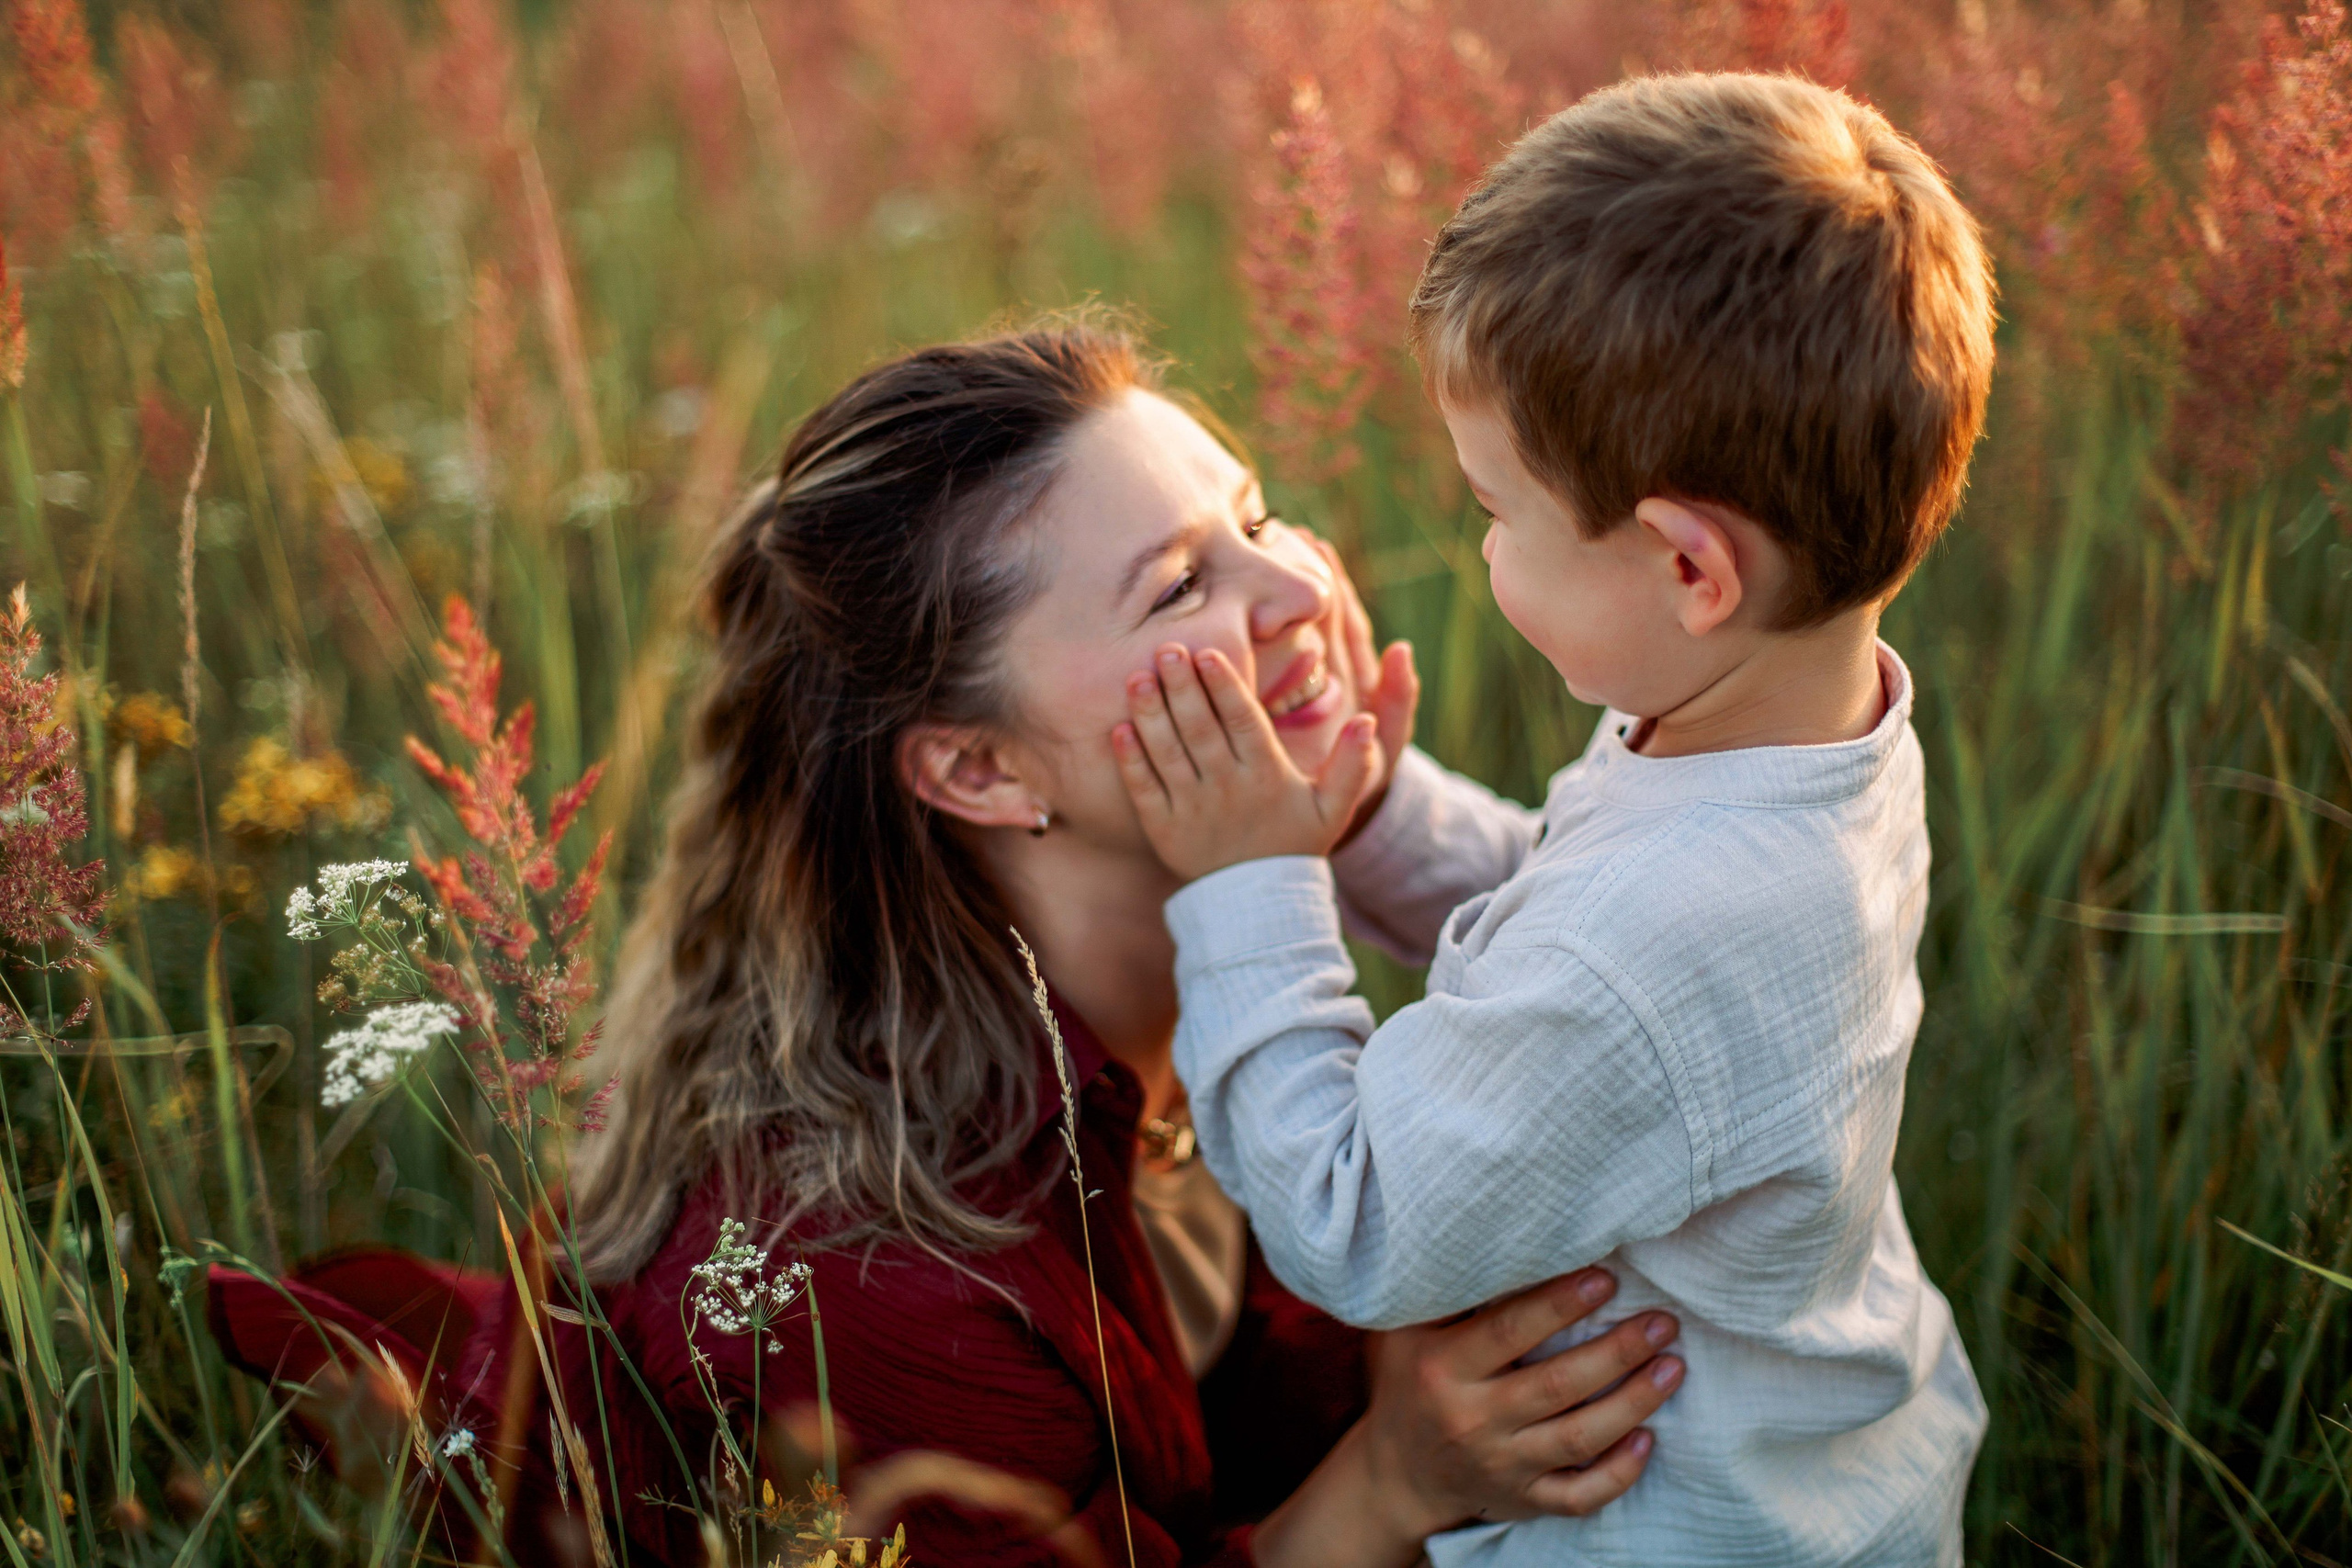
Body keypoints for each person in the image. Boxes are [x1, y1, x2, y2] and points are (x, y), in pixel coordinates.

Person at [208, 321, 1686, 1567]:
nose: (1301, 589)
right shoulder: (883, 1287)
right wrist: (1391, 1485)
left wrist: (1349, 830)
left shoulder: (1238, 953)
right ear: (981, 773)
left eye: (1252, 519)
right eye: (1181, 587)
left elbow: (1667, 954)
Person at [1107, 73, 1996, 1565]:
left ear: (1686, 568)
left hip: (1674, 1531)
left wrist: (1252, 886)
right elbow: (1570, 897)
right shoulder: (1802, 734)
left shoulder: (1662, 926)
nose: (1480, 541)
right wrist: (1377, 817)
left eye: (1500, 509)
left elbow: (1357, 1218)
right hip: (1834, 1461)